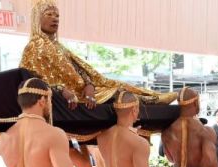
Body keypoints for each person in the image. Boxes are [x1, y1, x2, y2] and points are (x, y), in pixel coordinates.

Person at [20, 0, 176, 108]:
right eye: (49, 15)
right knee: (117, 92)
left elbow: (79, 70)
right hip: (69, 97)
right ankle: (153, 101)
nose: (55, 19)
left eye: (57, 16)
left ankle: (155, 96)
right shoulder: (33, 48)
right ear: (37, 19)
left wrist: (89, 85)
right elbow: (31, 82)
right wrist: (61, 89)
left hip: (84, 92)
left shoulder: (59, 47)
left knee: (117, 83)